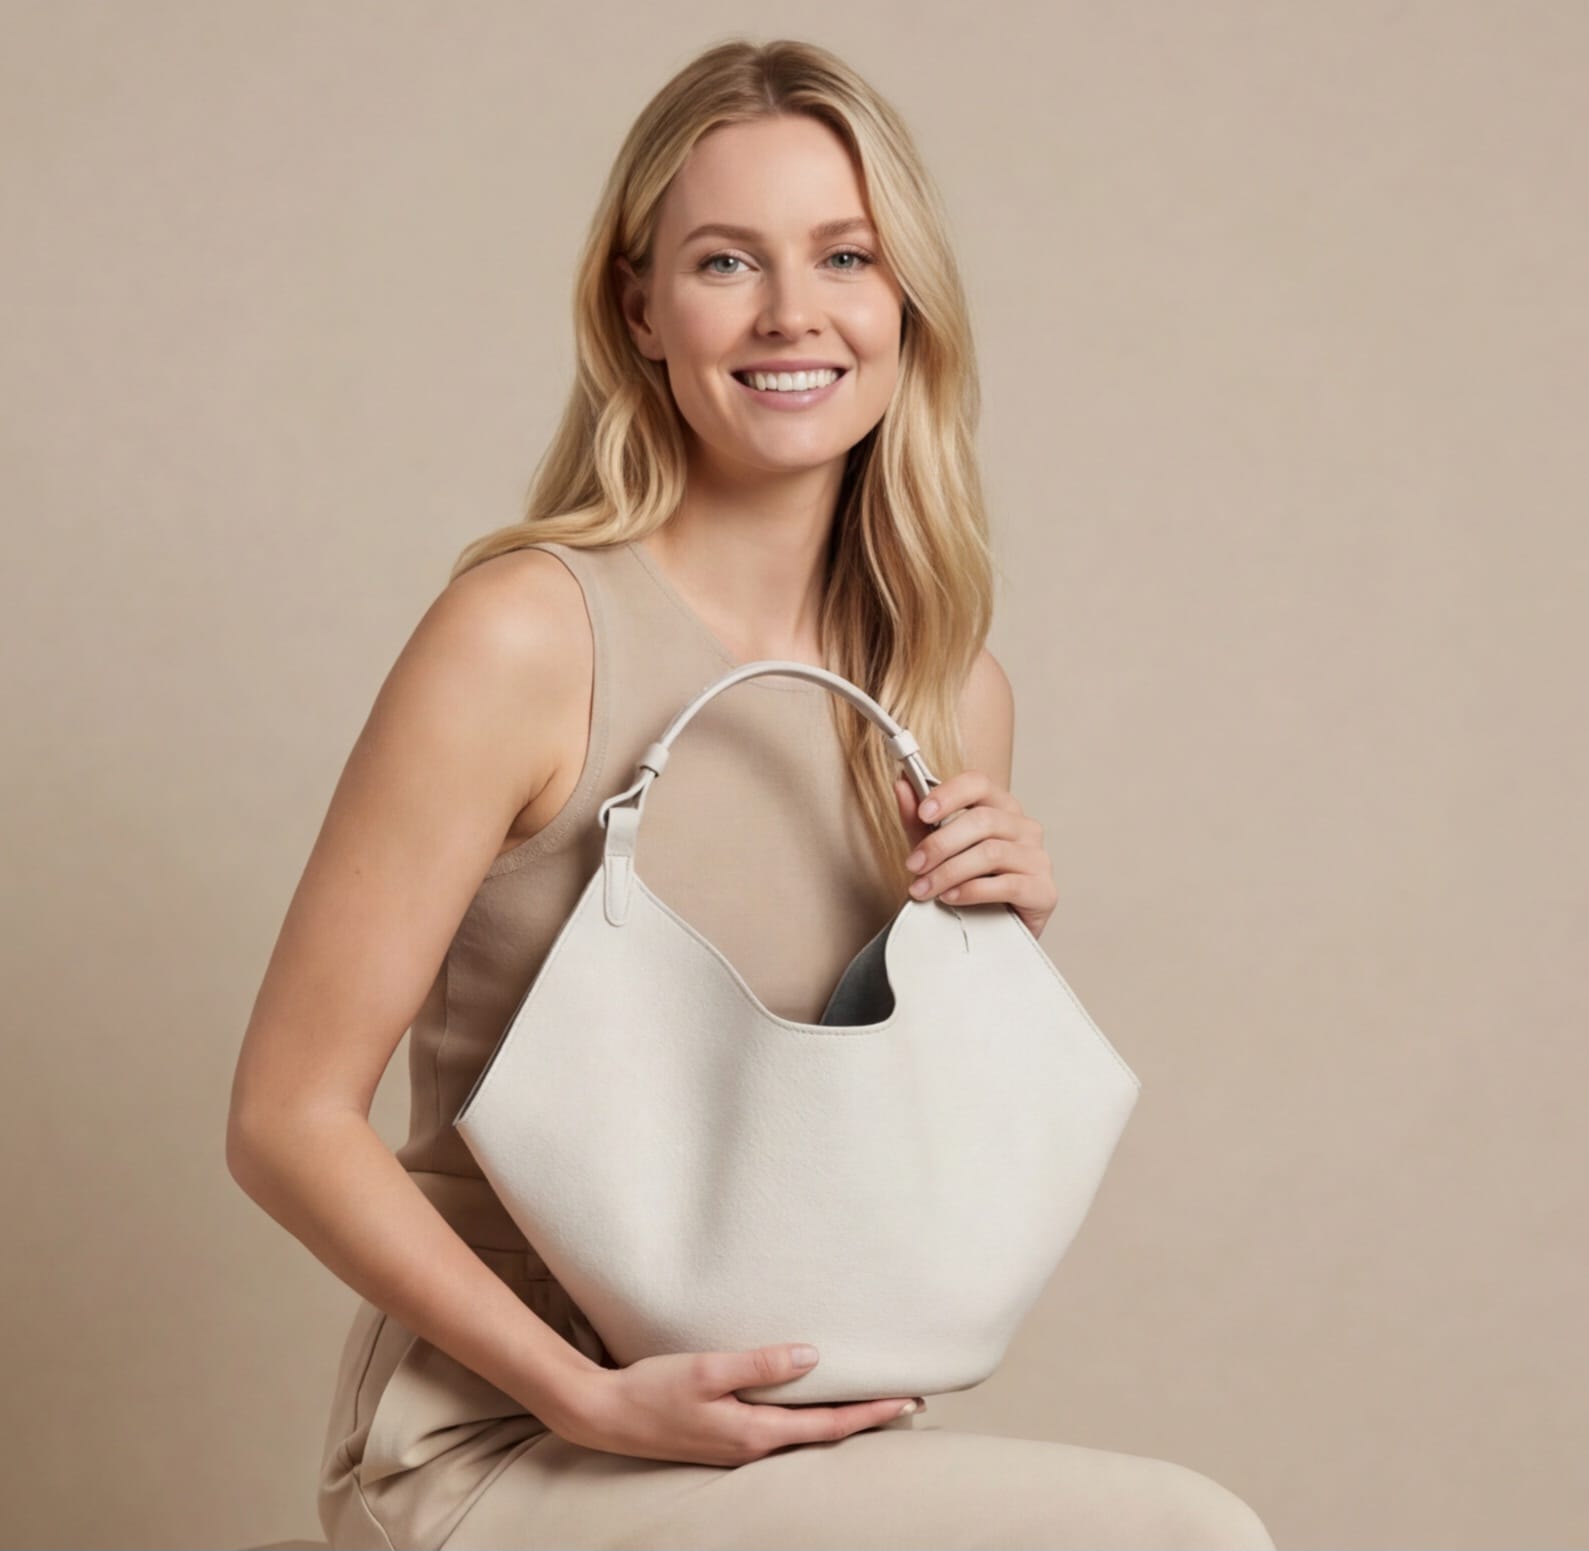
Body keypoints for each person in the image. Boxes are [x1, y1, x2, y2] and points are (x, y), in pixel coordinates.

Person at [226, 35, 1277, 1551]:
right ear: (638, 308)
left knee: (1177, 1528)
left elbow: (857, 1141)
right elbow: (284, 1116)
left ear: (904, 306)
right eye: (726, 260)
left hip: (788, 1442)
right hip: (500, 1437)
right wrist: (588, 1400)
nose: (792, 312)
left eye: (844, 256)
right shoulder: (524, 635)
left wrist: (989, 951)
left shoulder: (945, 691)